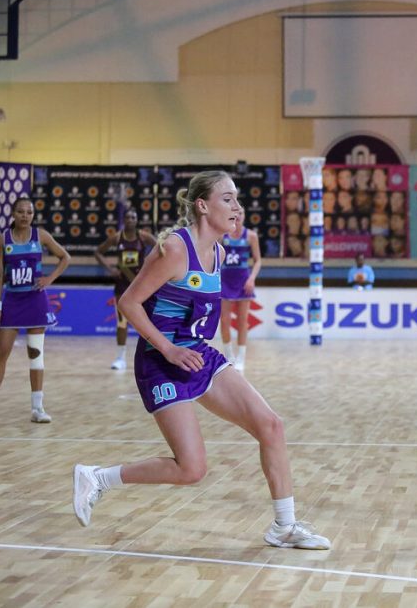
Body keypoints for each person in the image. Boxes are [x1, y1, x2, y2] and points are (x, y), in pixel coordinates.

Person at [72, 171, 329, 550]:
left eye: (237, 199)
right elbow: (129, 303)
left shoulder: (220, 253)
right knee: (191, 469)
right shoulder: (175, 249)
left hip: (196, 353)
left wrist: (187, 349)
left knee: (271, 426)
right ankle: (97, 478)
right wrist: (169, 349)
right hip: (161, 359)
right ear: (203, 206)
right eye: (228, 199)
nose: (237, 207)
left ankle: (285, 526)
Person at [0, 197, 71, 423]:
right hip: (12, 301)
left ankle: (37, 408)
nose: (25, 216)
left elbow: (65, 257)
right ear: (13, 214)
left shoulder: (41, 236)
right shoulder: (3, 239)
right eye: (21, 211)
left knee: (36, 354)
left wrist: (49, 279)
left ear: (33, 215)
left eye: (29, 212)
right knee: (1, 353)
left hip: (35, 301)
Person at [95, 207, 156, 371]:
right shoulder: (117, 237)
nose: (130, 220)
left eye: (133, 217)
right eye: (128, 217)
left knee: (147, 322)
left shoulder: (143, 237)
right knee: (121, 322)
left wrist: (149, 265)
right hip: (122, 285)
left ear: (137, 220)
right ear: (124, 220)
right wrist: (110, 269)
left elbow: (161, 248)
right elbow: (98, 252)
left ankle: (150, 358)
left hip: (141, 286)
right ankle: (120, 358)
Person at [220, 205, 261, 371]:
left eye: (241, 213)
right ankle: (229, 355)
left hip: (244, 282)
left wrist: (252, 278)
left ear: (244, 215)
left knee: (242, 321)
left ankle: (241, 358)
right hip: (225, 280)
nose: (238, 216)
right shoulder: (222, 235)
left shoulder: (251, 236)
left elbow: (258, 260)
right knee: (225, 321)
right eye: (235, 213)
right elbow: (212, 255)